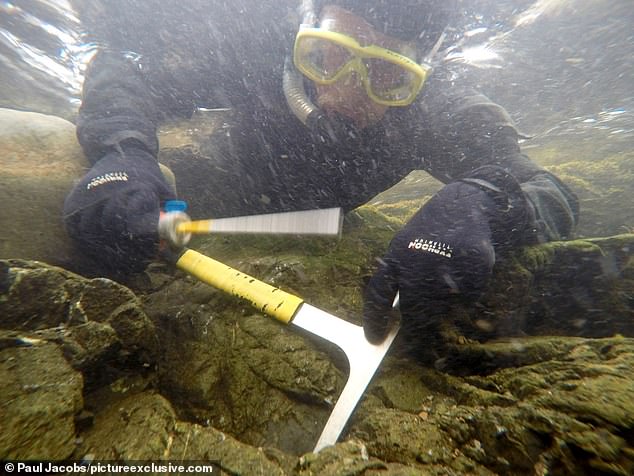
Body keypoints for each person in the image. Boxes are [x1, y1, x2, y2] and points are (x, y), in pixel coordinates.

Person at [64, 0, 578, 349]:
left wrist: (483, 204)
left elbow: (547, 190)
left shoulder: (439, 107)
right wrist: (124, 153)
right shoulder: (256, 41)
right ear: (303, 36)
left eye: (386, 74)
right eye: (326, 58)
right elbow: (124, 68)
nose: (341, 93)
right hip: (217, 175)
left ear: (422, 75)